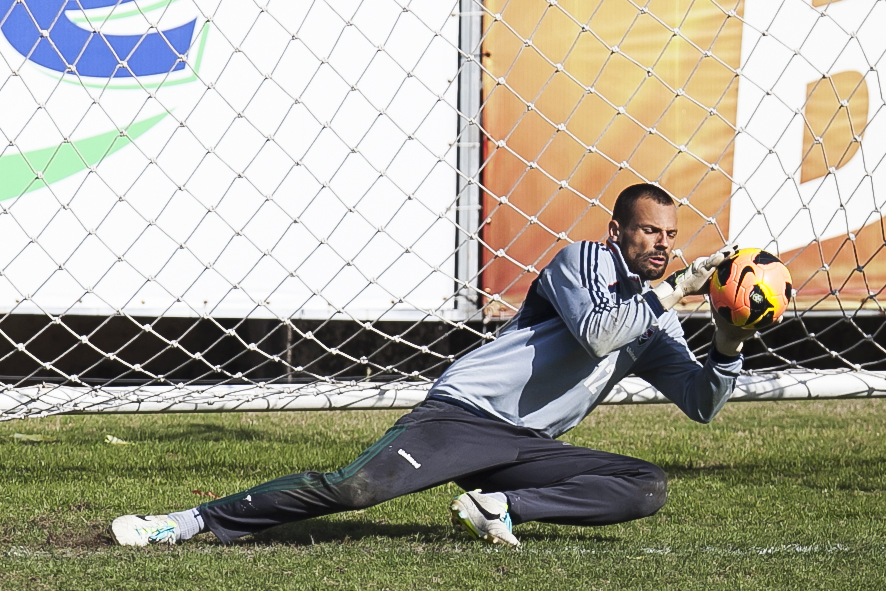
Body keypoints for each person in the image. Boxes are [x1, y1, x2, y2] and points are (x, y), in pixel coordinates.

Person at [111, 183, 753, 548]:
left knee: (645, 484)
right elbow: (596, 335)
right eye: (649, 231)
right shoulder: (583, 261)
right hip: (465, 415)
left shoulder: (658, 314)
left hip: (527, 444)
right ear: (618, 232)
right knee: (353, 490)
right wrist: (676, 289)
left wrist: (728, 340)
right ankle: (186, 521)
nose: (663, 245)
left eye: (671, 236)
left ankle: (498, 507)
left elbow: (701, 403)